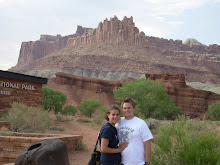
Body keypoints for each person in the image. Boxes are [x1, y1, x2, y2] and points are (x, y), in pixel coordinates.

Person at [115, 98, 153, 165]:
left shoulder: (141, 123)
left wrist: (147, 163)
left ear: (134, 109)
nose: (127, 110)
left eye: (129, 108)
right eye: (124, 108)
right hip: (122, 162)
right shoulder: (118, 122)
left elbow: (147, 145)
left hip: (138, 163)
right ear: (122, 109)